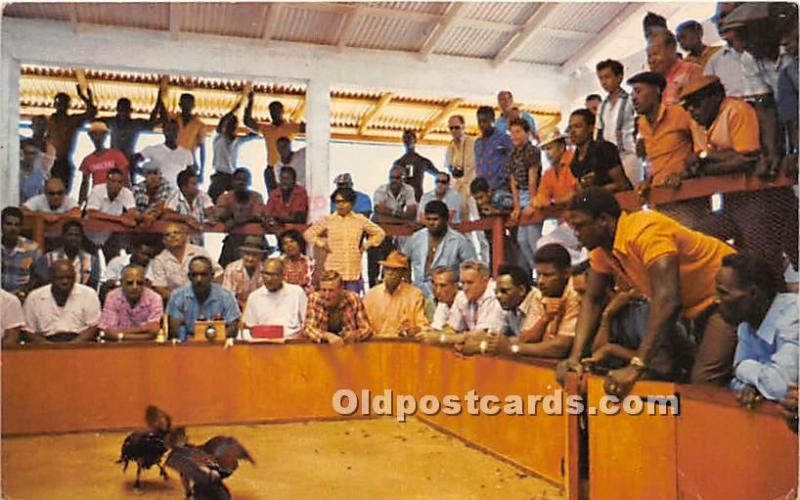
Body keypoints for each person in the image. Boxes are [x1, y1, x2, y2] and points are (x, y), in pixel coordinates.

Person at [556, 188, 737, 398]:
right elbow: (593, 300)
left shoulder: (645, 230)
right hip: (694, 308)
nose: (575, 233)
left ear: (603, 220)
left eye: (579, 225)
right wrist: (575, 358)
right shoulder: (602, 249)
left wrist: (636, 366)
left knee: (705, 381)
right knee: (672, 370)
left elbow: (669, 300)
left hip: (725, 298)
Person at [681, 75, 797, 276]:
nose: (692, 110)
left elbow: (747, 159)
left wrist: (706, 157)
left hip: (764, 196)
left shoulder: (735, 109)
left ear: (716, 97)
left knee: (765, 258)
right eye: (687, 106)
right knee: (699, 234)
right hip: (731, 201)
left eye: (696, 104)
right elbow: (702, 166)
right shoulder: (697, 124)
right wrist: (719, 159)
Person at [715, 254, 798, 405]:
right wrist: (750, 387)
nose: (716, 300)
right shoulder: (746, 325)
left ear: (753, 294)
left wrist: (742, 367)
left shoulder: (794, 317)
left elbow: (780, 387)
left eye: (723, 293)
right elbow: (736, 383)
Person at [305, 187, 385, 293]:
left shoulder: (360, 219)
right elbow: (309, 234)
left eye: (344, 202)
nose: (340, 205)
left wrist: (366, 245)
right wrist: (322, 243)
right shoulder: (328, 220)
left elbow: (380, 233)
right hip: (333, 269)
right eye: (338, 202)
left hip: (352, 269)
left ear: (352, 203)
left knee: (352, 302)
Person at [403, 199, 474, 297]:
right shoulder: (416, 238)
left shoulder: (459, 241)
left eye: (435, 219)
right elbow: (402, 260)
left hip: (446, 295)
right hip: (417, 293)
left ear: (445, 219)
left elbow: (472, 268)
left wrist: (459, 290)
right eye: (428, 219)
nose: (431, 223)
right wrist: (407, 284)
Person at [23, 259, 101, 343]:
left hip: (80, 344)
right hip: (45, 345)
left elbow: (93, 327)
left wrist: (71, 347)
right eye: (60, 278)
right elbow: (28, 331)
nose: (65, 281)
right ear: (51, 278)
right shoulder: (34, 297)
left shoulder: (88, 294)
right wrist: (49, 347)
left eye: (69, 278)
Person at [166, 256, 240, 342]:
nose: (199, 279)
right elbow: (175, 331)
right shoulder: (177, 296)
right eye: (194, 275)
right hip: (187, 346)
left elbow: (233, 327)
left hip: (218, 345)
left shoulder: (226, 296)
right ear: (189, 277)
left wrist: (213, 341)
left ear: (212, 276)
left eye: (203, 274)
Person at [368, 166, 417, 287]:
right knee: (374, 264)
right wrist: (399, 217)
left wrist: (390, 216)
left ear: (403, 179)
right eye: (391, 177)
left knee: (393, 261)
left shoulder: (408, 189)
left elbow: (412, 212)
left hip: (394, 232)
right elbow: (378, 211)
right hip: (379, 230)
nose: (393, 180)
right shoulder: (381, 190)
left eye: (397, 178)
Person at [148, 223, 222, 301]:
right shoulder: (159, 260)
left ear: (185, 236)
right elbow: (160, 288)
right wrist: (181, 301)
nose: (172, 236)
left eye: (176, 233)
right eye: (167, 234)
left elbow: (219, 274)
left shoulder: (199, 252)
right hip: (176, 302)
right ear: (164, 241)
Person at [595, 59, 641, 184]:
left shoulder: (631, 100)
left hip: (629, 154)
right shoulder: (602, 106)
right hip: (609, 160)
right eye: (601, 78)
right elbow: (600, 132)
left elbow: (639, 123)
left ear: (619, 77)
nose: (604, 82)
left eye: (607, 77)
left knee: (633, 192)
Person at [363, 251, 428, 338]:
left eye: (395, 270)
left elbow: (422, 327)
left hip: (404, 346)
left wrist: (412, 330)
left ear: (403, 273)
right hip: (377, 345)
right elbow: (363, 327)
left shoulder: (415, 295)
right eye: (387, 269)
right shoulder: (371, 295)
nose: (390, 273)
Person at [241, 258, 307, 339]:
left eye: (273, 275)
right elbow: (248, 327)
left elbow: (306, 322)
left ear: (282, 276)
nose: (268, 278)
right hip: (263, 343)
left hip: (291, 341)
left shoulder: (297, 292)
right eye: (265, 274)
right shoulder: (254, 297)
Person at [506, 118, 542, 267]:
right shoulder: (512, 154)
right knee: (521, 240)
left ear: (527, 133)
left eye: (518, 132)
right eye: (512, 132)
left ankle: (542, 271)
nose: (515, 135)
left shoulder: (532, 151)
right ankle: (537, 271)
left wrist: (532, 203)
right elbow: (512, 181)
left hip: (532, 192)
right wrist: (516, 206)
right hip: (520, 194)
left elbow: (532, 179)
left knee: (533, 238)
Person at [442, 260, 505, 344]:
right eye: (463, 283)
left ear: (485, 281)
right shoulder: (462, 296)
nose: (465, 288)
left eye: (469, 283)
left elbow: (481, 336)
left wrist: (441, 338)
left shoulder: (495, 295)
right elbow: (451, 329)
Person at [568, 109, 631, 192]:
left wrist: (596, 191)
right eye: (570, 127)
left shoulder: (605, 149)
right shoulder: (574, 162)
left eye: (578, 126)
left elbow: (622, 184)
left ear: (590, 128)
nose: (572, 132)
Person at [48, 87, 97, 191]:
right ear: (55, 105)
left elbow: (91, 113)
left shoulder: (72, 120)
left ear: (68, 105)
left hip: (64, 162)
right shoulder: (50, 121)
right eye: (59, 103)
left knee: (63, 193)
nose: (61, 106)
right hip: (50, 162)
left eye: (64, 103)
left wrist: (85, 98)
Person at [304, 270, 373, 344]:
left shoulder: (353, 299)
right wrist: (326, 336)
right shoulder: (314, 299)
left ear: (341, 290)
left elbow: (367, 329)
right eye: (323, 290)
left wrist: (355, 335)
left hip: (349, 347)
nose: (327, 295)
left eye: (331, 291)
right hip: (322, 347)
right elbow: (308, 328)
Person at [98, 264, 163, 341]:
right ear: (121, 282)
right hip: (117, 347)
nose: (135, 287)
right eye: (130, 283)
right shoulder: (112, 297)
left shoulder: (155, 298)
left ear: (145, 283)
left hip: (146, 346)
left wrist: (119, 335)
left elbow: (154, 330)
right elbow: (107, 331)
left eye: (139, 283)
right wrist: (144, 330)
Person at [215, 167, 265, 267]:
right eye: (238, 179)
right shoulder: (225, 197)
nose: (241, 182)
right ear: (232, 182)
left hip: (255, 241)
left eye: (244, 180)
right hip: (233, 241)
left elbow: (257, 216)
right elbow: (220, 214)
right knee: (223, 270)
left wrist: (235, 220)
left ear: (250, 182)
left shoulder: (256, 197)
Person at [85, 167, 138, 258]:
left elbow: (132, 213)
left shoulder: (126, 193)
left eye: (120, 182)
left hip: (109, 238)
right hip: (88, 237)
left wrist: (127, 217)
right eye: (113, 181)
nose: (116, 185)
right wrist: (120, 219)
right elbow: (92, 213)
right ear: (107, 181)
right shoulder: (97, 190)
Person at [209, 96, 255, 201]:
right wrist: (234, 109)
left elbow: (255, 133)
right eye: (229, 125)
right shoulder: (218, 137)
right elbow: (222, 121)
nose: (232, 128)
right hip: (219, 175)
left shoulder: (237, 140)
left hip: (232, 176)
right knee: (212, 200)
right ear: (225, 126)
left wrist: (250, 105)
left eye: (234, 126)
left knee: (236, 201)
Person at [100, 95, 163, 171]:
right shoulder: (111, 122)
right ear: (117, 110)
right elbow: (93, 120)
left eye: (125, 110)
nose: (123, 113)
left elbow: (151, 123)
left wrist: (159, 102)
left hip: (129, 163)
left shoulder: (135, 124)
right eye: (121, 110)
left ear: (130, 110)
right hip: (114, 164)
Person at [35, 220, 102, 290]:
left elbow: (92, 288)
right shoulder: (48, 259)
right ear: (63, 236)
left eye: (77, 235)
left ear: (82, 237)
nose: (73, 238)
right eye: (70, 234)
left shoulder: (92, 261)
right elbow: (43, 286)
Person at [244, 94, 303, 168]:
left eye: (276, 110)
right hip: (271, 168)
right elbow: (248, 122)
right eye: (272, 110)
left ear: (282, 111)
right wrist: (250, 102)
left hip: (286, 167)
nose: (274, 113)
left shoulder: (292, 127)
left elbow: (312, 127)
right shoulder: (266, 128)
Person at [78, 120, 130, 205]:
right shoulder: (87, 160)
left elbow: (125, 179)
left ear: (105, 136)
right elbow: (84, 184)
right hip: (97, 198)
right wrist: (80, 204)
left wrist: (127, 200)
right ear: (90, 137)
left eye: (100, 134)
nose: (97, 137)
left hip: (116, 197)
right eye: (94, 134)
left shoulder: (117, 155)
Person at [647, 31, 703, 105]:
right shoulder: (652, 84)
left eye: (655, 54)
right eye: (649, 56)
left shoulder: (692, 70)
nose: (652, 60)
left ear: (671, 48)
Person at [163, 169, 216, 245]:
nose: (197, 187)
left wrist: (211, 217)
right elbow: (167, 215)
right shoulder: (174, 197)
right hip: (178, 244)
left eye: (197, 184)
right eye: (194, 184)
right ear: (184, 187)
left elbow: (210, 210)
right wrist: (186, 218)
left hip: (198, 244)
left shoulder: (202, 196)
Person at [138, 119, 193, 189]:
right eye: (168, 130)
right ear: (163, 131)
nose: (171, 133)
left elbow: (190, 176)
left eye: (174, 130)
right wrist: (146, 175)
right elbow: (133, 162)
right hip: (158, 193)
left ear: (178, 131)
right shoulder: (152, 150)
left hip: (177, 194)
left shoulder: (186, 153)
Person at [1, 207, 41, 300]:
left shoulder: (33, 249)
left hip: (22, 298)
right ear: (1, 225)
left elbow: (39, 277)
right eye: (8, 224)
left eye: (17, 225)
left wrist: (25, 292)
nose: (13, 228)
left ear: (21, 227)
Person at [704, 15, 748, 98]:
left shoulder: (760, 50)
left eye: (725, 16)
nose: (720, 23)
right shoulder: (714, 61)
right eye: (717, 20)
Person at [534, 129, 577, 211]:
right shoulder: (548, 172)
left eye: (549, 148)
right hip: (559, 213)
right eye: (544, 149)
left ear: (561, 147)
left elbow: (577, 194)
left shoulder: (574, 162)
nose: (547, 153)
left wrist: (552, 202)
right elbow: (542, 196)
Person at [222, 235, 267, 311]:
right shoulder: (231, 269)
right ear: (242, 254)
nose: (250, 259)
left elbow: (266, 296)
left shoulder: (265, 270)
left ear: (261, 256)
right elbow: (227, 296)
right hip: (235, 309)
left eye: (254, 255)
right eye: (247, 254)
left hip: (259, 309)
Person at [474, 106, 514, 193]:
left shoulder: (504, 139)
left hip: (501, 188)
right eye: (479, 122)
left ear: (493, 120)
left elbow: (513, 161)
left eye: (485, 121)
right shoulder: (477, 143)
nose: (481, 125)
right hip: (483, 191)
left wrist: (504, 180)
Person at [392, 130, 438, 202]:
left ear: (415, 140)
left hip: (418, 199)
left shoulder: (423, 161)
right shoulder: (398, 163)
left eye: (410, 138)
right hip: (403, 200)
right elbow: (393, 183)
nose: (408, 141)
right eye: (405, 139)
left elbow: (438, 175)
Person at [444, 114, 477, 217]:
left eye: (457, 127)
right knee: (462, 225)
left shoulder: (474, 142)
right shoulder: (449, 148)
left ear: (463, 127)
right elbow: (449, 170)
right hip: (459, 192)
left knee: (480, 223)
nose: (454, 131)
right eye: (451, 128)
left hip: (474, 190)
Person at [168, 92, 206, 178]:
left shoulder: (199, 125)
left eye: (189, 104)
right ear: (179, 105)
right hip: (172, 161)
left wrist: (202, 171)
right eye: (184, 103)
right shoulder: (173, 120)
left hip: (189, 163)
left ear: (193, 106)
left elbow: (202, 149)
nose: (186, 106)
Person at [19, 138, 47, 204]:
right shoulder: (14, 171)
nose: (30, 156)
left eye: (33, 153)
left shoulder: (39, 174)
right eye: (27, 153)